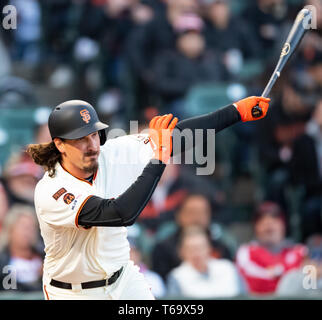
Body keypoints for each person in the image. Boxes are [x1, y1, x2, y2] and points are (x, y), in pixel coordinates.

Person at [26, 96, 270, 300]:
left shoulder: (112, 153)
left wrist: (236, 112)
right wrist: (158, 161)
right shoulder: (52, 189)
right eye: (80, 138)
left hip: (123, 280)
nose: (91, 145)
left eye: (93, 135)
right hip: (72, 292)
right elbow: (120, 213)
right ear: (59, 144)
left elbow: (178, 135)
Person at [151, 192, 236, 280]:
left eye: (202, 212)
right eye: (191, 212)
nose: (197, 217)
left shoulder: (221, 248)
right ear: (179, 215)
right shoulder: (163, 250)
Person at [236, 201, 306, 296]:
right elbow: (254, 282)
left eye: (274, 221)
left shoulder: (299, 251)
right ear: (256, 227)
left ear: (283, 225)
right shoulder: (246, 252)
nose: (269, 226)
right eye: (263, 223)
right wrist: (292, 275)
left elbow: (311, 282)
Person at [166, 225, 244, 298]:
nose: (196, 253)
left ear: (209, 248)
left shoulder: (228, 268)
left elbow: (244, 296)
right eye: (191, 249)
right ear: (182, 252)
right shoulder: (177, 276)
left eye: (200, 248)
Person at [0, 204, 43, 292]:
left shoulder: (44, 258)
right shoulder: (2, 262)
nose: (27, 232)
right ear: (10, 230)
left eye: (31, 227)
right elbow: (8, 291)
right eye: (23, 227)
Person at [276, 234, 322, 298]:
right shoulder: (291, 277)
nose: (316, 262)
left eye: (320, 258)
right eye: (313, 256)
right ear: (306, 258)